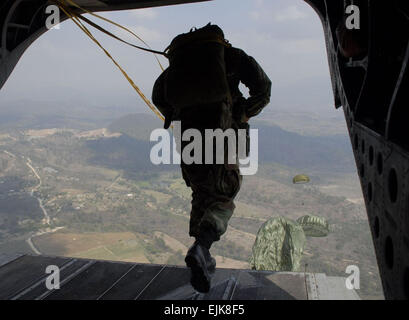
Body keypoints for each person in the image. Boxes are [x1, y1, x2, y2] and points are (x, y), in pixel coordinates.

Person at [152, 24, 271, 293]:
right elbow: (263, 89)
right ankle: (202, 248)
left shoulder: (180, 65)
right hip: (223, 130)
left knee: (201, 191)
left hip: (188, 136)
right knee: (223, 195)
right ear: (219, 42)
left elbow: (159, 95)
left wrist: (179, 114)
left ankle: (201, 255)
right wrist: (241, 113)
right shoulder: (231, 56)